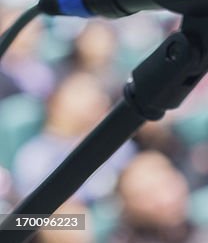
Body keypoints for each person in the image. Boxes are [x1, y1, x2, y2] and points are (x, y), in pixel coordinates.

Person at [13, 73, 135, 204]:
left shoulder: (115, 143)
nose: (94, 98)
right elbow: (36, 213)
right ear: (55, 100)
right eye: (80, 92)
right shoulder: (35, 155)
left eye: (97, 92)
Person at [108, 151, 208, 243]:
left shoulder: (200, 231)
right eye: (149, 195)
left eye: (168, 184)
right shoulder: (124, 239)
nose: (167, 199)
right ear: (128, 205)